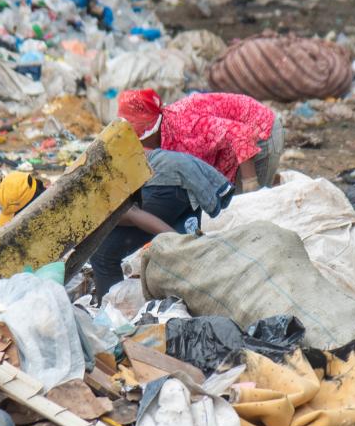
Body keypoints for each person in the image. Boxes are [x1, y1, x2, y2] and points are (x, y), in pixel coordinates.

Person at [86, 149, 233, 297]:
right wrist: (183, 244)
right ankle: (215, 288)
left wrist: (180, 242)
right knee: (186, 257)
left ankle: (112, 309)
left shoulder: (90, 204)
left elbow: (133, 214)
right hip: (182, 172)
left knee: (102, 254)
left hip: (165, 180)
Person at [116, 87, 283, 190]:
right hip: (236, 143)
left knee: (251, 208)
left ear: (149, 130)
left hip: (260, 131)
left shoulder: (185, 127)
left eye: (138, 138)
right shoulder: (166, 135)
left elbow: (241, 133)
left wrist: (250, 184)